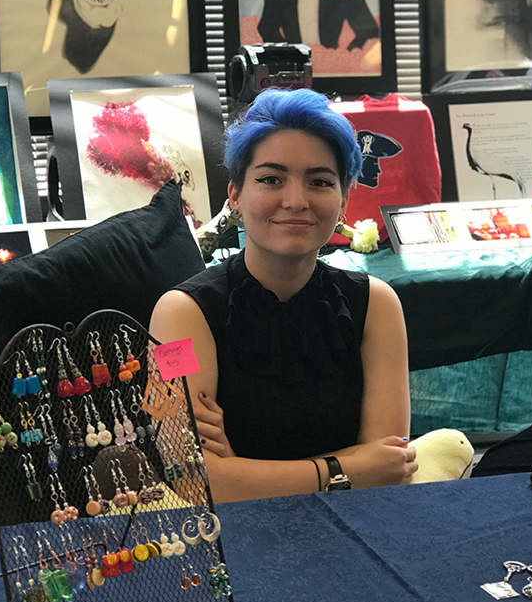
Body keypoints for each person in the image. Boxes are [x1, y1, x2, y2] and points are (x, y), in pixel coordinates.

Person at [150, 88, 417, 504]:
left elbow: (389, 469)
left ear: (344, 198)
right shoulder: (180, 314)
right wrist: (347, 468)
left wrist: (240, 473)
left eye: (320, 182)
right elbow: (190, 478)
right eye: (271, 179)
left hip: (358, 528)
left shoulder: (376, 306)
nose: (296, 200)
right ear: (235, 194)